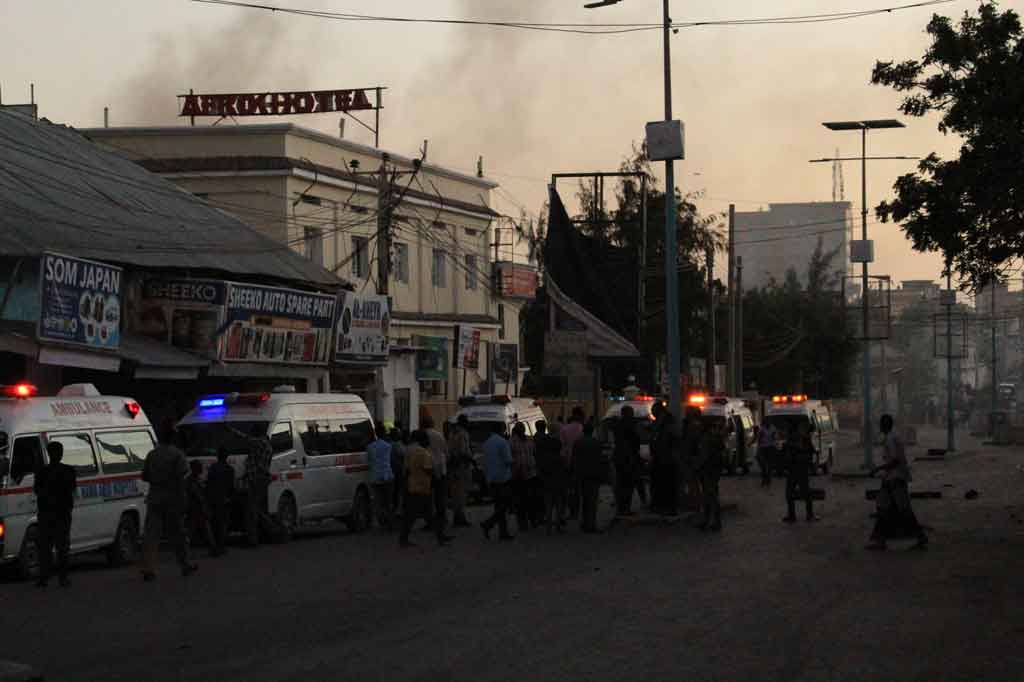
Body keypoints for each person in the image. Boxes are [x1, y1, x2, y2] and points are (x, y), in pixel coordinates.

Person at [141, 418, 197, 581]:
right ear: (173, 438)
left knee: (151, 535)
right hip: (173, 498)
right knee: (178, 534)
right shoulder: (177, 455)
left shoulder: (152, 454)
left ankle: (148, 569)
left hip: (155, 498)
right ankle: (185, 564)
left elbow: (145, 475)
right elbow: (183, 477)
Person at [867, 414, 928, 551]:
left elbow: (895, 461)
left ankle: (920, 536)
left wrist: (878, 469)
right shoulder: (893, 437)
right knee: (884, 508)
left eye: (881, 424)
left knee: (903, 510)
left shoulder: (890, 439)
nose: (880, 427)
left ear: (884, 425)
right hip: (891, 479)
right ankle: (881, 540)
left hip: (895, 479)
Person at [399, 430, 453, 547]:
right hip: (423, 487)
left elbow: (407, 471)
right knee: (426, 514)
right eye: (426, 440)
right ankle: (440, 536)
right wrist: (436, 480)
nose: (428, 442)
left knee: (414, 514)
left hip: (412, 486)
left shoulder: (411, 451)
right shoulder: (424, 453)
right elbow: (429, 470)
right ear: (422, 440)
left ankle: (404, 538)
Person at [33, 441, 76, 588]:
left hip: (46, 514)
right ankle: (63, 578)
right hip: (62, 513)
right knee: (62, 547)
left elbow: (36, 490)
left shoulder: (42, 472)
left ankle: (43, 578)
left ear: (49, 454)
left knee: (45, 547)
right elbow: (72, 489)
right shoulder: (69, 471)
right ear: (61, 454)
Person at [480, 423, 514, 541]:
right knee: (505, 505)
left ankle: (502, 532)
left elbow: (485, 463)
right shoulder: (502, 442)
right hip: (503, 477)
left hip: (492, 478)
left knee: (499, 505)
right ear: (502, 430)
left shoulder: (486, 443)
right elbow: (508, 460)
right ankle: (489, 524)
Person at [573, 423, 607, 533]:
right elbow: (600, 459)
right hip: (593, 474)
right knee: (592, 500)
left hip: (582, 474)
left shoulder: (578, 442)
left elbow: (574, 458)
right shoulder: (596, 443)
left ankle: (584, 523)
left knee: (585, 500)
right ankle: (591, 524)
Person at [783, 423, 818, 523]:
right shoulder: (797, 439)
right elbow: (812, 452)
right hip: (796, 469)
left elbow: (810, 452)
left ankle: (800, 515)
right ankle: (804, 515)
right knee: (798, 493)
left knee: (798, 493)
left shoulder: (803, 439)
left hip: (799, 469)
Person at [650, 406, 680, 516]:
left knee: (668, 484)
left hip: (667, 458)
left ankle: (669, 507)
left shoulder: (668, 424)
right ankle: (661, 505)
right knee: (660, 483)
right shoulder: (659, 423)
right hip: (660, 457)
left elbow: (672, 439)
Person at [422, 415, 449, 534]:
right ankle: (442, 520)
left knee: (427, 498)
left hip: (426, 469)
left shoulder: (421, 435)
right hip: (440, 469)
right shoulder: (439, 435)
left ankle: (430, 521)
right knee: (440, 497)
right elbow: (445, 452)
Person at [697, 420, 726, 531]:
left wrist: (697, 466)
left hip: (708, 469)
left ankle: (711, 521)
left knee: (710, 495)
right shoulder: (716, 438)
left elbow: (705, 456)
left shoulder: (707, 439)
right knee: (711, 495)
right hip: (714, 469)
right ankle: (711, 520)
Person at [186, 460, 219, 556]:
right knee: (192, 531)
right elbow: (198, 496)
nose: (201, 469)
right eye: (199, 468)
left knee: (202, 529)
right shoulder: (192, 481)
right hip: (195, 509)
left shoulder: (195, 479)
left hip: (197, 509)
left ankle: (213, 549)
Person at [205, 448, 235, 555]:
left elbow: (208, 484)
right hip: (223, 499)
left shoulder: (213, 468)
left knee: (215, 524)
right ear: (226, 457)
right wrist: (230, 498)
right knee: (223, 524)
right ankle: (220, 546)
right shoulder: (229, 469)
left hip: (213, 499)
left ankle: (215, 547)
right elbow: (231, 487)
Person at [365, 423, 394, 530]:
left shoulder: (370, 447)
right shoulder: (388, 446)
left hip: (375, 477)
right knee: (388, 501)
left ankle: (381, 521)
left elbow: (368, 462)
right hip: (387, 475)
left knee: (378, 501)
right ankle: (389, 522)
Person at [510, 422, 537, 532]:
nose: (521, 430)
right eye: (520, 428)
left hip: (530, 474)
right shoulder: (511, 442)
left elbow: (534, 453)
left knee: (530, 499)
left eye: (522, 428)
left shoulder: (530, 440)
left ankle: (531, 520)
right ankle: (522, 523)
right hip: (518, 475)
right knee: (520, 500)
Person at [613, 406, 641, 516]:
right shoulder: (628, 425)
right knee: (627, 484)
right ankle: (624, 508)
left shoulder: (619, 425)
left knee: (623, 484)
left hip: (622, 457)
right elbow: (628, 442)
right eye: (631, 412)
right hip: (627, 457)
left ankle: (623, 508)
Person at [447, 415, 474, 527]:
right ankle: (460, 518)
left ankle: (457, 517)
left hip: (453, 466)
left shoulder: (452, 433)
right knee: (462, 494)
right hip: (462, 466)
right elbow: (463, 452)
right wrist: (471, 459)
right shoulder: (463, 434)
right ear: (464, 422)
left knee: (455, 493)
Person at [560, 407, 585, 520]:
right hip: (581, 463)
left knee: (570, 489)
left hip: (568, 463)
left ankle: (572, 512)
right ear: (579, 416)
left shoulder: (564, 429)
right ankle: (578, 511)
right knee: (580, 489)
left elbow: (562, 448)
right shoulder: (583, 429)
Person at [389, 428, 408, 517]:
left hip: (393, 470)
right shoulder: (397, 445)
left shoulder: (389, 444)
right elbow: (404, 454)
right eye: (398, 434)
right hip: (398, 471)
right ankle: (398, 509)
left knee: (394, 491)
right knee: (399, 491)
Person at [756, 422, 777, 488]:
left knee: (770, 465)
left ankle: (768, 481)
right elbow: (759, 438)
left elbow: (774, 437)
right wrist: (759, 447)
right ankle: (764, 479)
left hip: (771, 447)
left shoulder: (773, 428)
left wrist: (774, 440)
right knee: (763, 465)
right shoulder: (762, 429)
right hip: (763, 448)